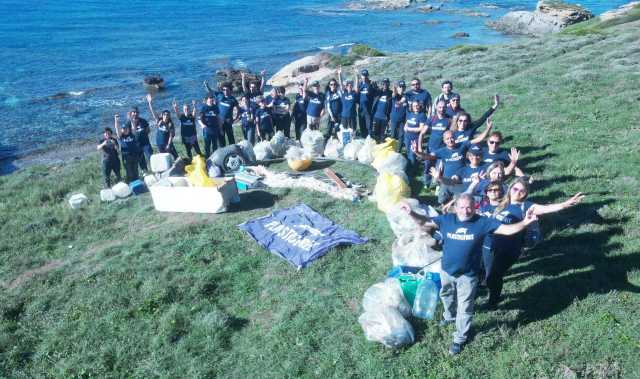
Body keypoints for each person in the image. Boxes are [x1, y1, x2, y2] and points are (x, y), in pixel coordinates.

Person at [400, 193, 539, 355]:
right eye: (462, 207)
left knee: (465, 307)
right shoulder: (447, 220)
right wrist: (411, 212)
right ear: (455, 207)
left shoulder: (483, 222)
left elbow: (507, 230)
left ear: (474, 207)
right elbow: (424, 223)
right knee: (446, 295)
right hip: (446, 270)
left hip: (468, 275)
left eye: (469, 207)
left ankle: (459, 339)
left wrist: (525, 222)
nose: (465, 211)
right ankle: (449, 316)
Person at [480, 178, 584, 309]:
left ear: (526, 193)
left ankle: (493, 302)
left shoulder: (526, 207)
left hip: (509, 249)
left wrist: (564, 204)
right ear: (510, 189)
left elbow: (546, 208)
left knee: (495, 275)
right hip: (489, 244)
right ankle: (492, 292)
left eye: (522, 190)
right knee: (489, 274)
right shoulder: (501, 202)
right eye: (515, 189)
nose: (518, 192)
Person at [412, 129, 491, 204]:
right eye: (447, 139)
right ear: (444, 140)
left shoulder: (462, 145)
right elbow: (427, 156)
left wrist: (488, 128)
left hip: (460, 180)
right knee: (441, 201)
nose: (450, 140)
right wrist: (416, 152)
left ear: (455, 138)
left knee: (460, 200)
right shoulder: (441, 151)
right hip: (446, 180)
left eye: (452, 138)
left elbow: (479, 139)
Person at [419, 99, 450, 187]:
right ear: (436, 107)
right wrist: (420, 147)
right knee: (428, 166)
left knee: (439, 168)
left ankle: (437, 185)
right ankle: (426, 183)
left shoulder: (449, 120)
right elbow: (422, 133)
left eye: (444, 107)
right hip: (431, 148)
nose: (442, 109)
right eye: (440, 107)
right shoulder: (432, 118)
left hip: (442, 150)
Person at [205, 81, 239, 146]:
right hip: (220, 122)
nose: (225, 91)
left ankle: (234, 153)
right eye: (224, 89)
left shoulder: (233, 99)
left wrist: (236, 118)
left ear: (230, 90)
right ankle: (224, 152)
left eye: (227, 89)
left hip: (228, 122)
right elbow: (211, 91)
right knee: (221, 139)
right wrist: (207, 85)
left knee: (231, 138)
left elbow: (238, 109)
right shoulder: (219, 95)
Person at [146, 94, 178, 159]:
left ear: (169, 116)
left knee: (175, 156)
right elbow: (153, 111)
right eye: (164, 114)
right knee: (163, 158)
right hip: (159, 143)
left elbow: (171, 135)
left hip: (167, 143)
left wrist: (168, 145)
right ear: (162, 115)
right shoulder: (159, 120)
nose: (166, 116)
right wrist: (150, 103)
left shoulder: (170, 124)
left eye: (167, 115)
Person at [114, 114, 140, 183]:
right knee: (129, 172)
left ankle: (138, 183)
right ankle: (131, 183)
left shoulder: (132, 134)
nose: (124, 130)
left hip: (134, 155)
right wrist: (116, 121)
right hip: (126, 156)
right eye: (123, 129)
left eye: (126, 128)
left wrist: (131, 119)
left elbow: (134, 127)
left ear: (128, 129)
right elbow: (117, 129)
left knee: (135, 170)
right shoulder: (121, 136)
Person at [125, 106, 152, 173]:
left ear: (138, 113)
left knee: (150, 156)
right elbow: (126, 134)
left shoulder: (143, 121)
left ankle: (154, 169)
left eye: (136, 112)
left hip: (145, 143)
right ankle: (145, 172)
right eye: (133, 112)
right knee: (141, 159)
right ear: (131, 113)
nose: (135, 113)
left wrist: (143, 135)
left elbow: (148, 130)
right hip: (136, 145)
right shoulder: (128, 123)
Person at [403, 101, 427, 171]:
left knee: (412, 154)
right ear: (412, 107)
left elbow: (421, 128)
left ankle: (412, 170)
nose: (416, 107)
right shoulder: (410, 114)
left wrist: (409, 129)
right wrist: (405, 127)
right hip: (407, 137)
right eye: (414, 106)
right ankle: (411, 166)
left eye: (417, 105)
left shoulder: (422, 115)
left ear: (420, 106)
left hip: (415, 139)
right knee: (408, 152)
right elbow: (406, 123)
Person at [337, 67, 358, 133]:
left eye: (350, 85)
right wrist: (339, 74)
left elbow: (356, 84)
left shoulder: (354, 93)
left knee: (353, 131)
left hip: (353, 116)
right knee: (344, 131)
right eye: (348, 85)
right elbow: (340, 84)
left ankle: (353, 140)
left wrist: (356, 74)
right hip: (344, 116)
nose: (349, 86)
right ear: (346, 86)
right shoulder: (344, 93)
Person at [355, 68, 375, 137]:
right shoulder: (360, 85)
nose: (365, 77)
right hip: (360, 108)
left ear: (368, 76)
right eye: (363, 75)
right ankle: (363, 137)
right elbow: (356, 91)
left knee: (369, 125)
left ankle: (370, 138)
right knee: (361, 124)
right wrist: (356, 77)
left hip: (368, 108)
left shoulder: (371, 84)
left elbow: (373, 93)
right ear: (361, 76)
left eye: (366, 75)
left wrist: (370, 85)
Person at [371, 78, 392, 142]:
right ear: (382, 84)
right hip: (376, 117)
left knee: (383, 136)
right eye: (383, 84)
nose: (385, 85)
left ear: (388, 84)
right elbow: (370, 91)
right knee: (375, 135)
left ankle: (381, 149)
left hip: (385, 118)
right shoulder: (378, 92)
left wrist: (389, 119)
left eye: (386, 84)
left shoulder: (391, 93)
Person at [390, 80, 408, 152]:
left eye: (403, 87)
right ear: (398, 88)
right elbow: (394, 94)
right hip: (394, 119)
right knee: (393, 135)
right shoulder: (396, 95)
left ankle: (399, 150)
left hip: (403, 120)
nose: (402, 88)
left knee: (401, 135)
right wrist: (394, 87)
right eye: (400, 87)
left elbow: (405, 99)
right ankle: (391, 149)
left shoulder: (406, 96)